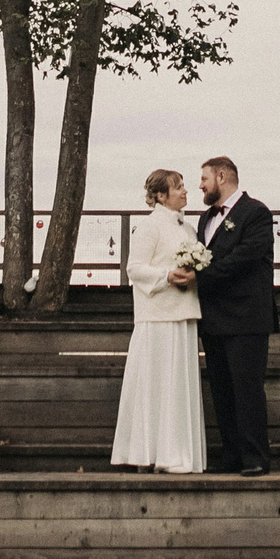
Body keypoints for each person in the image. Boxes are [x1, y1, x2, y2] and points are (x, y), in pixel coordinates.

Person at [183, 154, 275, 474]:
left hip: (247, 316)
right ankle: (232, 454)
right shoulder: (205, 218)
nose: (200, 185)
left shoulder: (257, 213)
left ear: (222, 177)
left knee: (247, 388)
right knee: (221, 390)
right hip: (214, 317)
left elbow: (245, 258)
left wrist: (200, 277)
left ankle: (255, 458)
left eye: (204, 179)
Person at [111, 168, 207, 473]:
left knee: (178, 387)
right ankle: (148, 452)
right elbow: (134, 268)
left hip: (183, 315)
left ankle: (176, 453)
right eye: (178, 187)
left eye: (183, 186)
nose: (185, 191)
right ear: (161, 196)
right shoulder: (149, 227)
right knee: (155, 386)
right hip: (156, 319)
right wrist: (167, 276)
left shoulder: (189, 230)